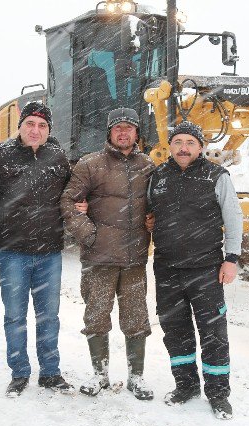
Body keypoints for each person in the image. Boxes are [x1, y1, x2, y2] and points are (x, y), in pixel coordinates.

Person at [147, 120, 243, 420]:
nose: (184, 148)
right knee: (176, 331)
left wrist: (232, 259)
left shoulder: (217, 176)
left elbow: (234, 217)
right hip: (166, 268)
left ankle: (218, 394)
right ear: (170, 146)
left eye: (190, 142)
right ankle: (185, 386)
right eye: (178, 142)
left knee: (213, 333)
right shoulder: (158, 176)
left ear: (200, 147)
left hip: (206, 269)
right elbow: (149, 213)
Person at [0, 102, 74, 397]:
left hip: (49, 251)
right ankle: (19, 373)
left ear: (48, 130)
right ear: (20, 126)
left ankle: (50, 372)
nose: (35, 130)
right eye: (30, 124)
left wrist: (81, 204)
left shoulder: (58, 158)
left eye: (42, 126)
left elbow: (73, 194)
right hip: (12, 251)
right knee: (15, 315)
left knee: (49, 315)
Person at [61, 107, 156, 400]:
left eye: (129, 128)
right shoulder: (90, 165)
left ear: (137, 133)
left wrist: (154, 221)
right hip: (98, 259)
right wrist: (89, 235)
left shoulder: (149, 166)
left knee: (136, 319)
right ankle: (100, 374)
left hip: (134, 260)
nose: (123, 133)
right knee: (97, 317)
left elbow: (157, 205)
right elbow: (68, 202)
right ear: (109, 133)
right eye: (118, 128)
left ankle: (136, 377)